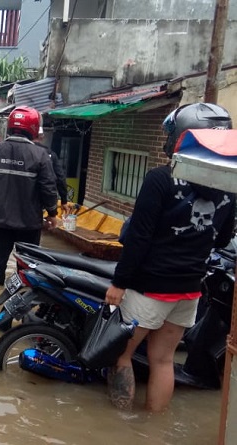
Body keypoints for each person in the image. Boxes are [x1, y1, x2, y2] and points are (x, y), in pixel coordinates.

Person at [104, 103, 236, 412]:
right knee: (163, 360)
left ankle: (120, 424)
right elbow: (225, 238)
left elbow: (138, 238)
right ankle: (152, 426)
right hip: (189, 290)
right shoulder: (231, 187)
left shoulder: (160, 179)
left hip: (149, 287)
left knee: (122, 354)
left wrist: (119, 284)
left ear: (180, 137)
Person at [0, 106, 59, 285]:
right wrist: (52, 214)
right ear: (34, 128)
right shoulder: (41, 155)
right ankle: (20, 302)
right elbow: (48, 188)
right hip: (28, 223)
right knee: (27, 265)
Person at [35, 128, 74, 215]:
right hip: (41, 203)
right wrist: (64, 201)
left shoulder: (19, 151)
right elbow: (60, 178)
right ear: (42, 137)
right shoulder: (50, 154)